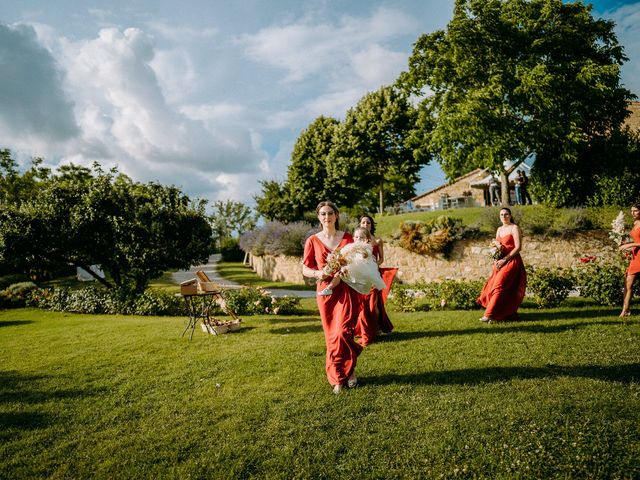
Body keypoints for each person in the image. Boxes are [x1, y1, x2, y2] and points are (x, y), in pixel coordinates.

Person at [302, 201, 362, 394]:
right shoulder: (312, 240)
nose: (326, 217)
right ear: (318, 217)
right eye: (322, 214)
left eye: (330, 213)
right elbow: (305, 268)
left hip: (346, 289)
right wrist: (319, 274)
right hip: (325, 291)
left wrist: (346, 270)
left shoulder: (347, 238)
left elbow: (357, 262)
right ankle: (338, 377)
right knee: (332, 337)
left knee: (344, 332)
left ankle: (349, 370)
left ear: (336, 215)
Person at [477, 207, 527, 322]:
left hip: (511, 261)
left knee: (498, 286)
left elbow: (518, 247)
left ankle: (488, 314)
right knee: (497, 287)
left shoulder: (514, 228)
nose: (504, 217)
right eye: (501, 215)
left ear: (510, 215)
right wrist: (495, 260)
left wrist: (505, 259)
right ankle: (502, 315)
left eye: (506, 214)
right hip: (499, 263)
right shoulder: (499, 229)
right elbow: (496, 245)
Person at [355, 215, 397, 346]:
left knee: (374, 304)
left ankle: (377, 328)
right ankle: (363, 329)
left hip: (373, 274)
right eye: (363, 222)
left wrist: (373, 266)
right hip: (361, 275)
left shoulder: (377, 241)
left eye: (368, 222)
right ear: (360, 224)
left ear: (372, 225)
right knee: (361, 305)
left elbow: (381, 259)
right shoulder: (357, 241)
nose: (365, 224)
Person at [318, 227, 386, 296]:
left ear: (366, 240)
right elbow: (342, 253)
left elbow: (365, 256)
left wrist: (360, 250)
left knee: (341, 272)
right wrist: (336, 257)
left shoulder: (366, 247)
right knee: (338, 274)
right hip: (350, 268)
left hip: (360, 268)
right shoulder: (350, 246)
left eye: (361, 237)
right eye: (356, 237)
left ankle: (329, 287)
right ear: (353, 238)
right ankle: (329, 288)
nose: (358, 239)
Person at [619, 203, 640, 317]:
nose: (632, 213)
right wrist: (627, 245)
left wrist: (629, 245)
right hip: (635, 256)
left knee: (629, 283)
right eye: (632, 211)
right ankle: (626, 310)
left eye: (635, 211)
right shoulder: (635, 223)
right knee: (628, 283)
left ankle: (625, 310)